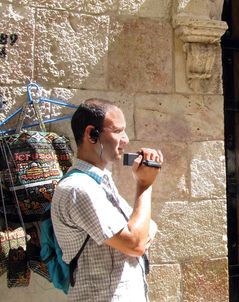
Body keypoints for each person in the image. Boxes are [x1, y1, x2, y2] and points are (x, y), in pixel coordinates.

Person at [51, 98, 163, 301]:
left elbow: (148, 227)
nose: (126, 139)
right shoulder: (79, 189)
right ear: (91, 134)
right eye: (118, 131)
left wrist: (136, 234)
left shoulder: (99, 183)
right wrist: (144, 185)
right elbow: (136, 243)